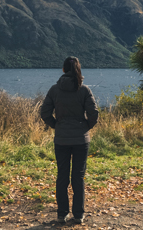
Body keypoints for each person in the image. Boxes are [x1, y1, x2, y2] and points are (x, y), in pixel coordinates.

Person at [39, 56, 99, 224]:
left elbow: (44, 113)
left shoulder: (54, 90)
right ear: (78, 70)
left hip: (61, 139)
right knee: (78, 177)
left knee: (62, 176)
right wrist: (85, 127)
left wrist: (57, 126)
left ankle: (62, 214)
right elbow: (94, 114)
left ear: (63, 70)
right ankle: (78, 215)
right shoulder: (84, 90)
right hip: (81, 140)